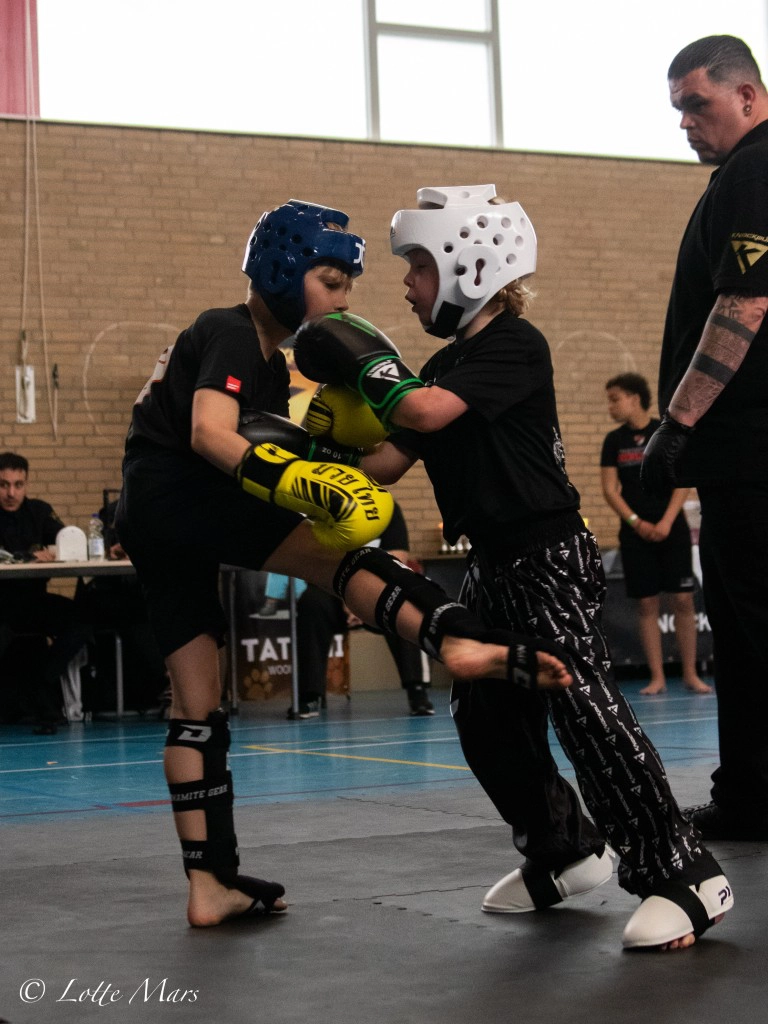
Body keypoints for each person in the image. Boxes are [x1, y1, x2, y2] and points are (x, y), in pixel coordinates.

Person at [293, 184, 734, 951]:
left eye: (419, 267)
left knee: (582, 706)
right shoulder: (441, 365)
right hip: (492, 561)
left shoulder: (515, 345)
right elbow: (388, 463)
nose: (407, 285)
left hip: (548, 552)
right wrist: (310, 445)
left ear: (469, 266)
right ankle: (566, 849)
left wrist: (369, 363)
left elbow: (424, 412)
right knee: (484, 715)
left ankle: (684, 873)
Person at [114, 198, 572, 929]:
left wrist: (322, 453)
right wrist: (300, 482)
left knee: (195, 704)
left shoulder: (269, 366)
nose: (343, 300)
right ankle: (454, 640)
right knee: (339, 558)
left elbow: (261, 439)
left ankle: (211, 884)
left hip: (152, 515)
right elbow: (209, 434)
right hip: (186, 490)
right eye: (331, 282)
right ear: (282, 272)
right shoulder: (230, 330)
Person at [641, 35, 768, 841]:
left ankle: (753, 798)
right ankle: (752, 791)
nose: (686, 122)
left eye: (698, 104)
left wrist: (676, 424)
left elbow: (745, 304)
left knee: (750, 627)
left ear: (748, 97)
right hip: (747, 453)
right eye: (678, 109)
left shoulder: (754, 169)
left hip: (748, 454)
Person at [600, 372, 711, 695]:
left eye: (615, 399)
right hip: (635, 534)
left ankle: (690, 673)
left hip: (671, 528)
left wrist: (666, 521)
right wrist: (637, 523)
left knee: (683, 600)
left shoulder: (663, 432)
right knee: (646, 604)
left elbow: (682, 480)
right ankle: (657, 676)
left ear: (635, 398)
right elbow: (610, 490)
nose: (610, 406)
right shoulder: (613, 441)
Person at [291, 501, 434, 719]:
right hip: (334, 590)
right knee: (310, 602)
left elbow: (397, 561)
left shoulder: (387, 508)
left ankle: (417, 690)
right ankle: (310, 695)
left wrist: (362, 597)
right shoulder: (323, 509)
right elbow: (316, 563)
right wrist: (348, 598)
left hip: (378, 591)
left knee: (406, 603)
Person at [0, 451, 92, 734]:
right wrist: (29, 556)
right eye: (3, 485)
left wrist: (57, 550)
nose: (11, 493)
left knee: (82, 620)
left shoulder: (39, 512)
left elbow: (68, 542)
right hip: (2, 604)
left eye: (18, 485)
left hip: (34, 601)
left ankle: (43, 681)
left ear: (26, 484)